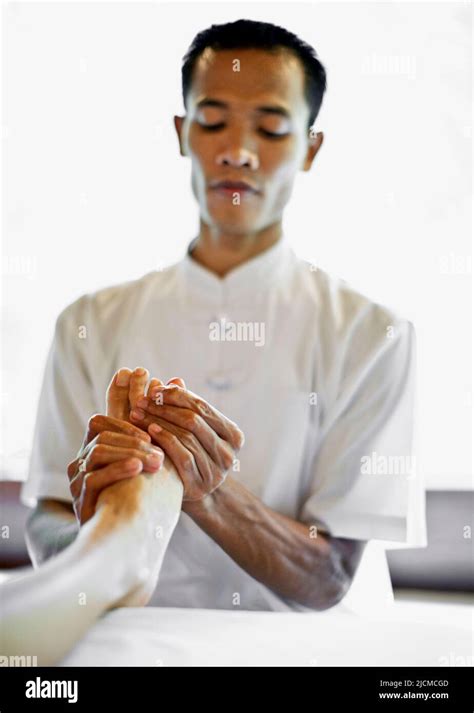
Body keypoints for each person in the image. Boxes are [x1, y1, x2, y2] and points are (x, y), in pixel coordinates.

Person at [22, 19, 426, 615]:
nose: (237, 151)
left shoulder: (373, 336)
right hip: (134, 648)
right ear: (183, 133)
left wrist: (208, 493)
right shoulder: (88, 322)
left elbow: (332, 574)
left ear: (310, 148)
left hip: (304, 657)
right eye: (212, 123)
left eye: (270, 128)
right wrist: (98, 524)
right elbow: (47, 523)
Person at [1, 371, 184, 665]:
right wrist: (93, 524)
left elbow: (290, 569)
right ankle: (120, 545)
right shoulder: (78, 327)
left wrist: (212, 498)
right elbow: (45, 517)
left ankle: (119, 546)